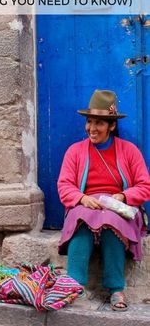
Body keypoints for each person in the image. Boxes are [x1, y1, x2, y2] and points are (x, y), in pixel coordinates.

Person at [58, 89, 150, 311]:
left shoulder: (130, 151)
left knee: (111, 221)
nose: (92, 128)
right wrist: (82, 198)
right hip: (86, 204)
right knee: (81, 218)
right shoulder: (75, 152)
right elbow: (64, 185)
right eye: (89, 122)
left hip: (117, 207)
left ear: (112, 126)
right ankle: (74, 284)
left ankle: (116, 287)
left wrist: (122, 196)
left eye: (99, 123)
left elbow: (144, 186)